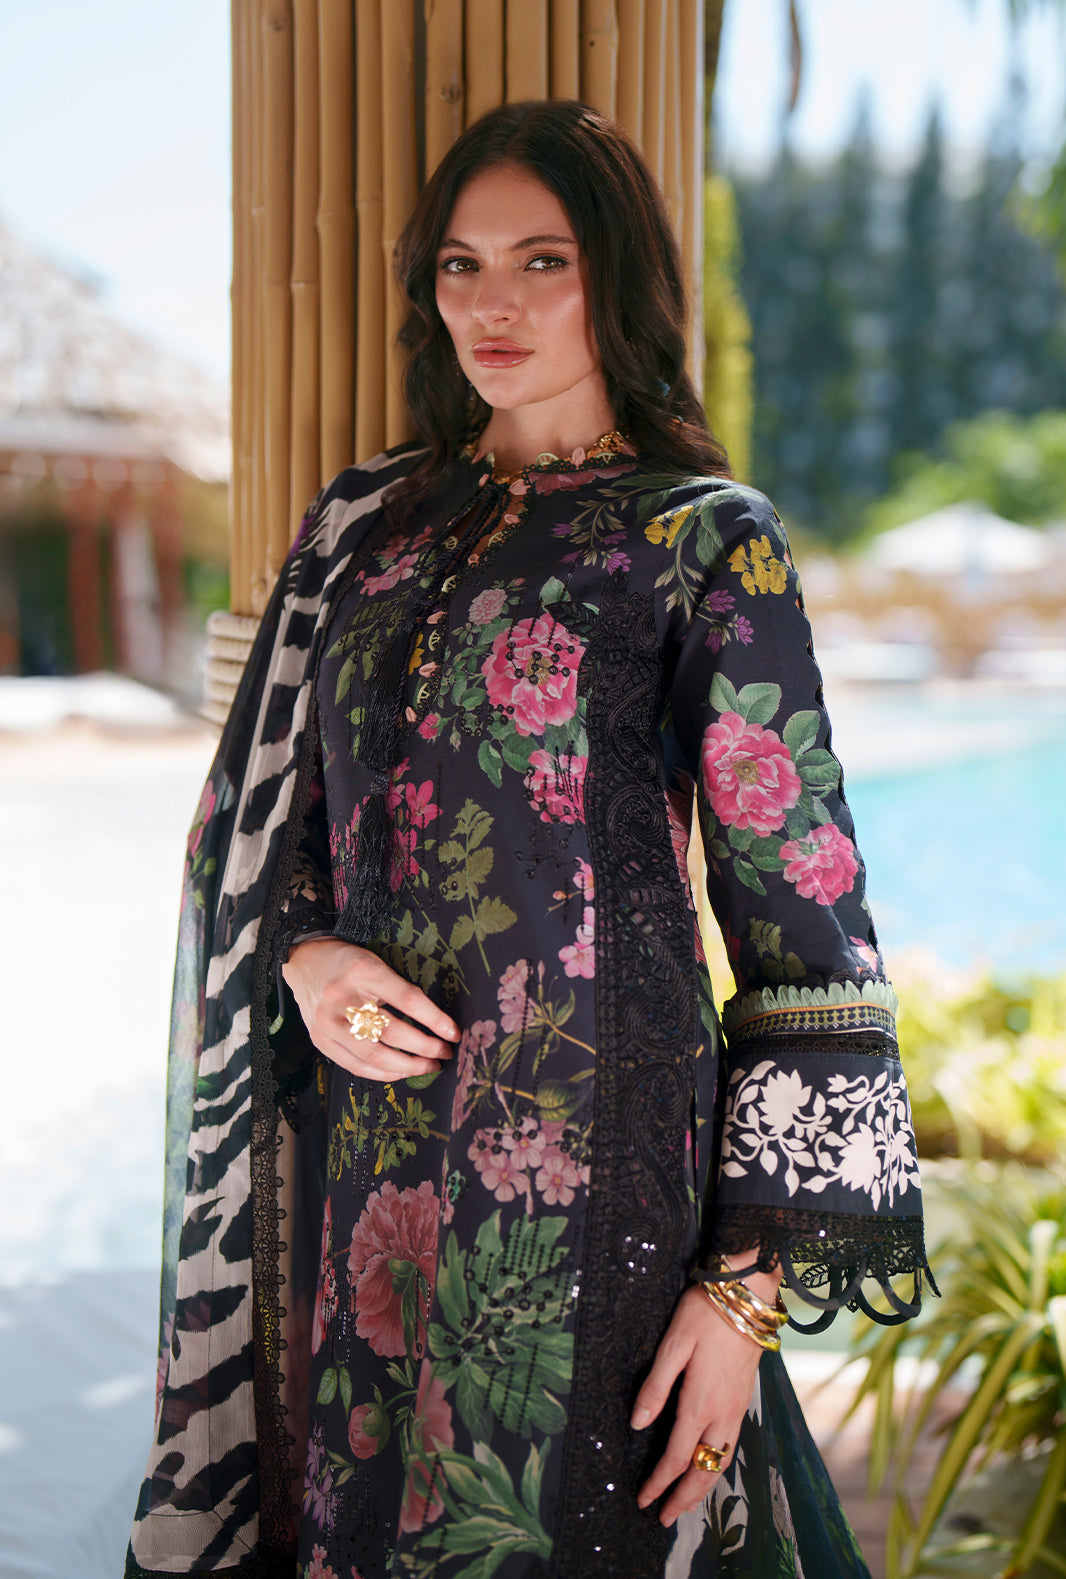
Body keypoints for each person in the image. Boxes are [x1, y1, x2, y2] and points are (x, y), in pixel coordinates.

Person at [126, 100, 932, 1579]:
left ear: (617, 276)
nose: (491, 305)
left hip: (602, 1162)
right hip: (373, 1157)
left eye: (541, 261)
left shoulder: (701, 537)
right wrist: (307, 959)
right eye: (461, 264)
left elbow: (805, 927)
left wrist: (742, 1296)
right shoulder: (363, 529)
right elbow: (267, 823)